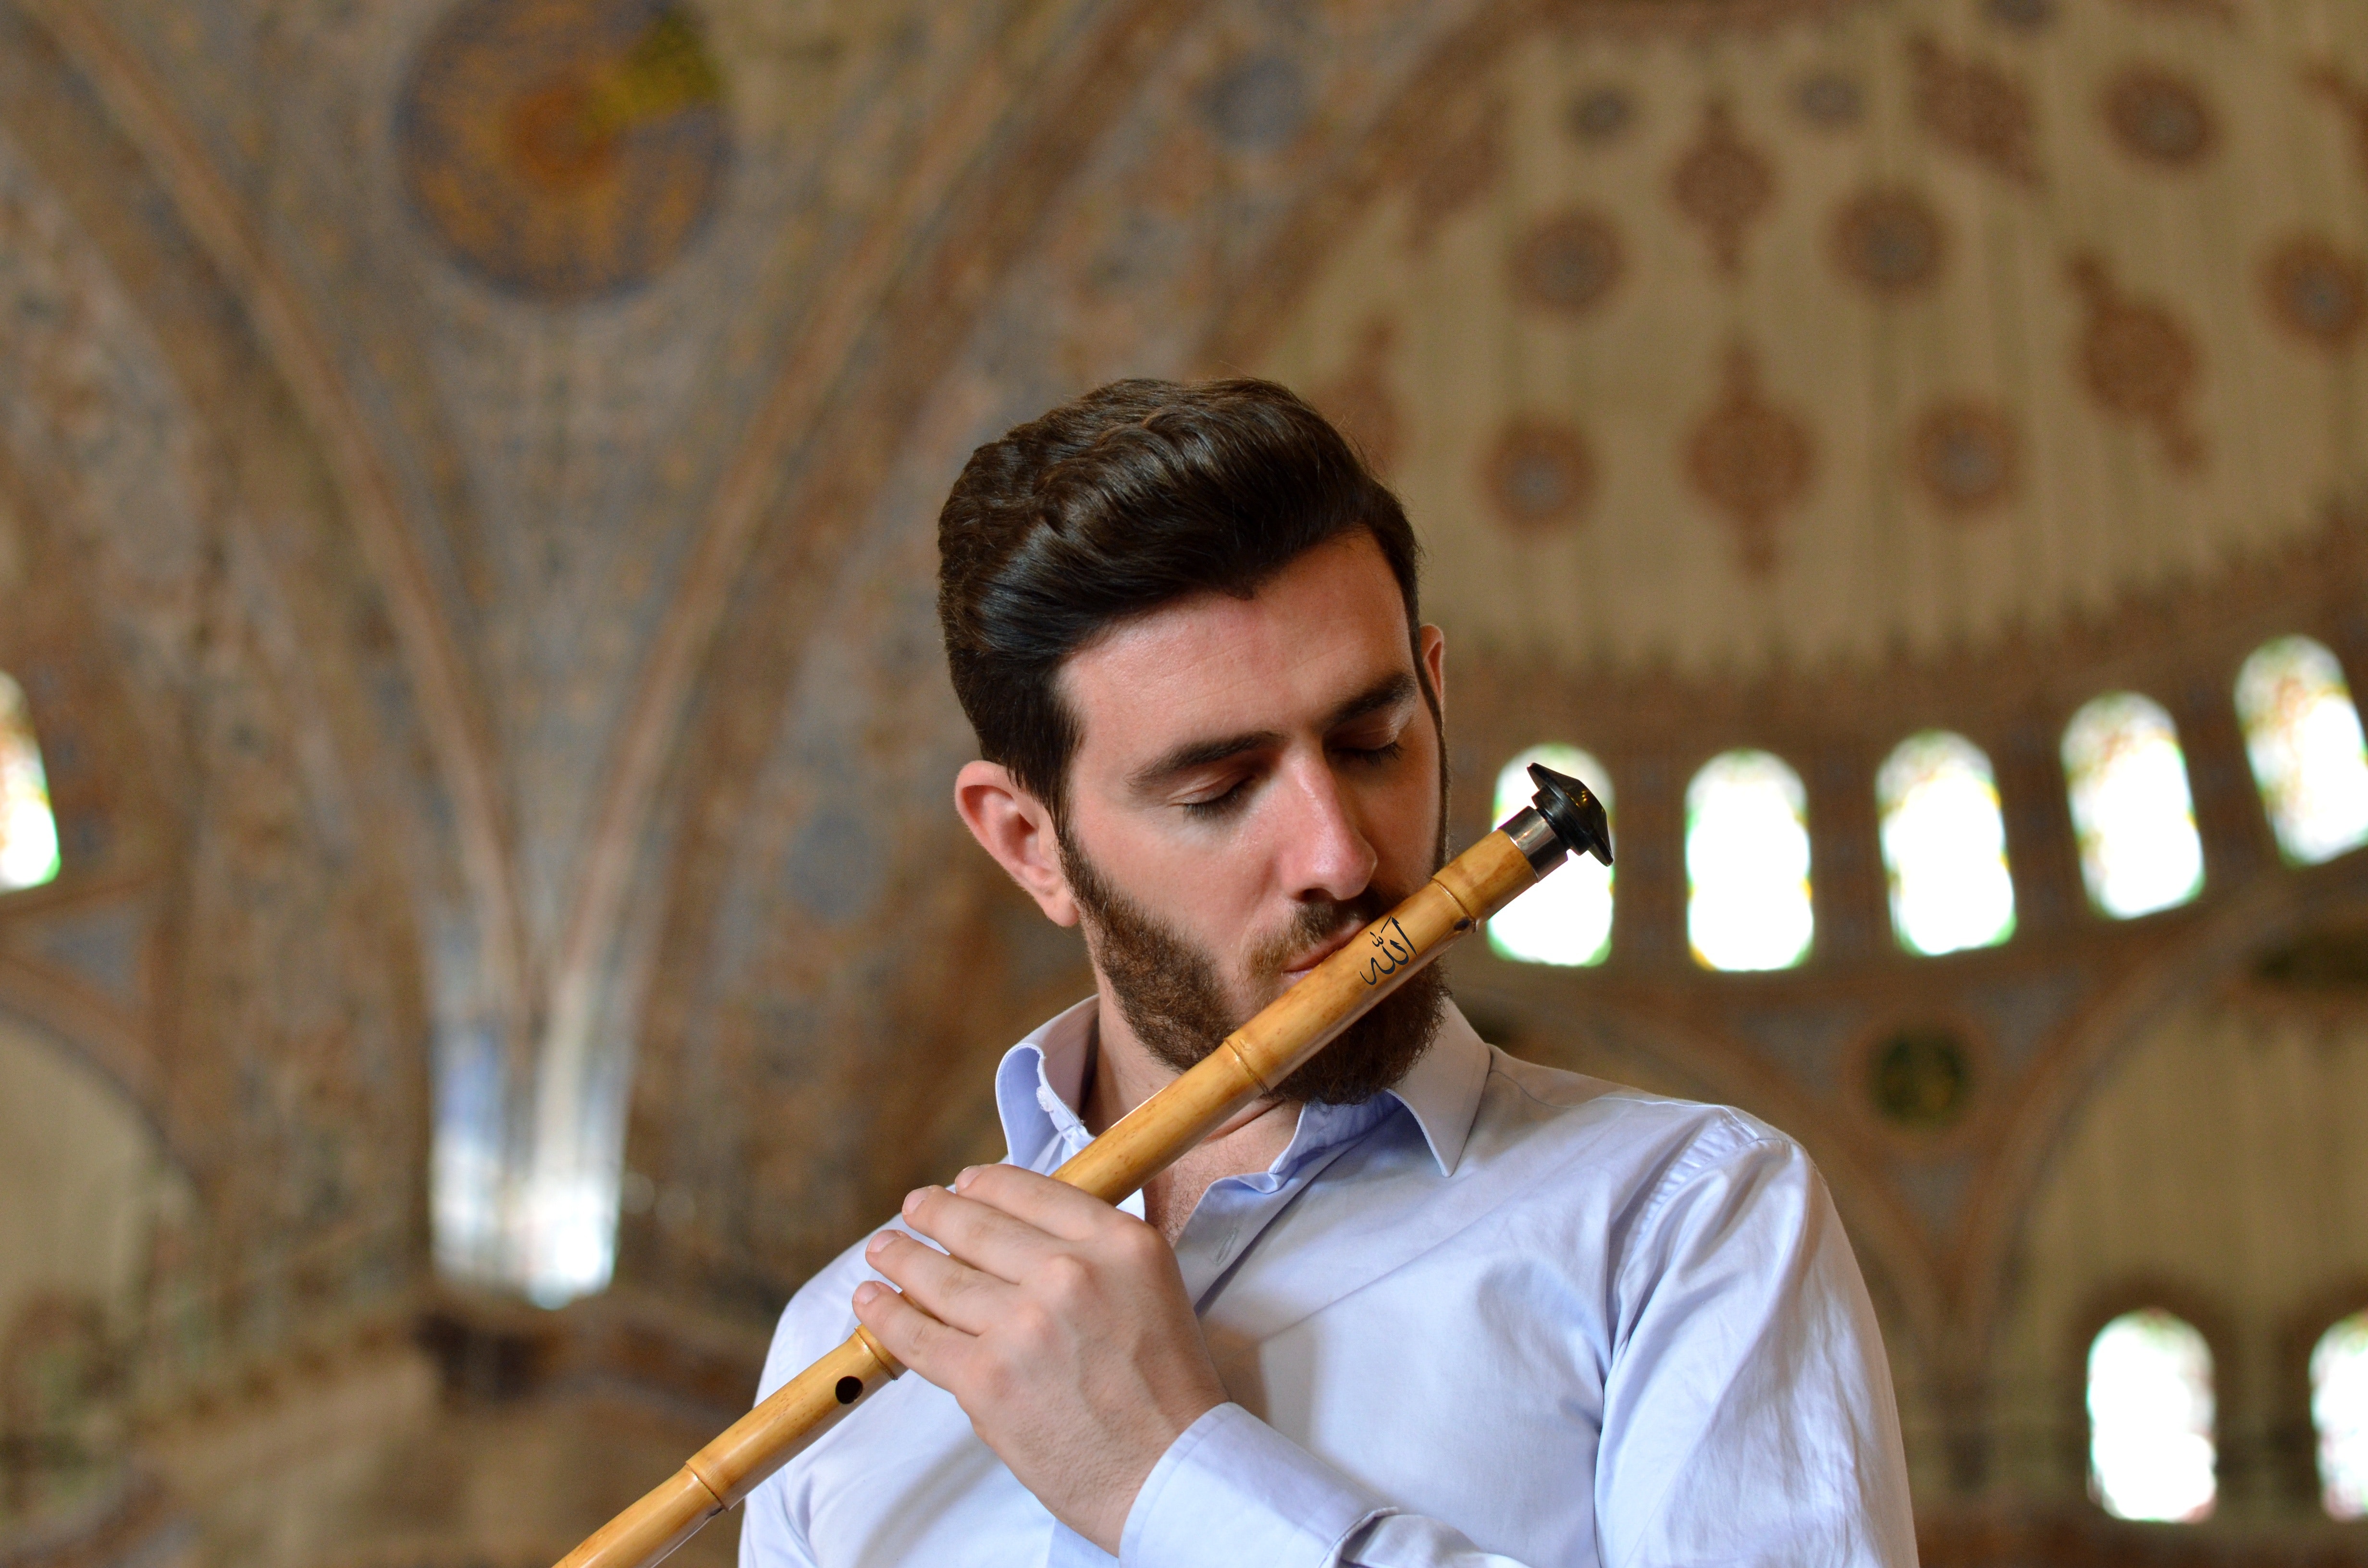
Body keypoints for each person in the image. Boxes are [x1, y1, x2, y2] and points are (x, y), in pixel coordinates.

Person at [739, 379, 1916, 1567]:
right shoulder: (838, 1344)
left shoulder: (1687, 1218)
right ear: (1028, 844)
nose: (1341, 856)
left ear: (1435, 694)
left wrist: (1167, 1479)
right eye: (1217, 792)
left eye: (1372, 745)